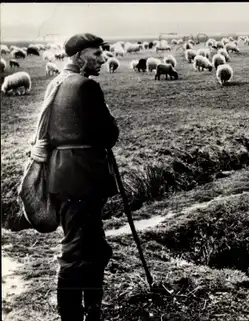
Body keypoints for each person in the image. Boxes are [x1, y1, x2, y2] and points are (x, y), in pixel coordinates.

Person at [44, 33, 120, 321]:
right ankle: (72, 314)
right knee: (78, 246)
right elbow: (108, 134)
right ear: (79, 57)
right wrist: (111, 121)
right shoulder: (86, 86)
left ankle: (92, 308)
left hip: (63, 173)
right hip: (83, 175)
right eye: (96, 54)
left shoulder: (56, 84)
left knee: (93, 244)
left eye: (102, 54)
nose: (102, 59)